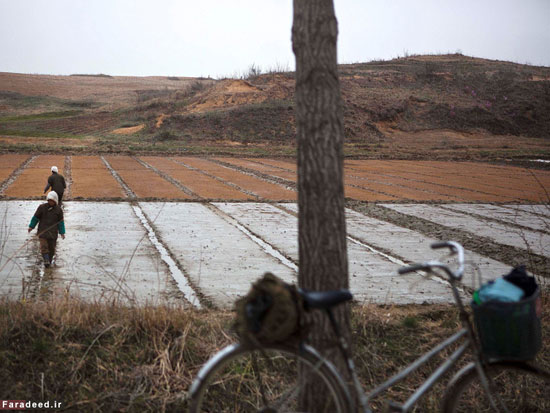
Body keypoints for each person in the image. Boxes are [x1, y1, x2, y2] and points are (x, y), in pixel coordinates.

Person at [28, 191, 66, 268]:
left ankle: (49, 261)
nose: (50, 202)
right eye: (49, 200)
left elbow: (61, 223)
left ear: (55, 201)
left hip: (53, 234)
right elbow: (35, 218)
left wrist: (62, 232)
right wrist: (31, 227)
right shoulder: (42, 208)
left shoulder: (58, 210)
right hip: (42, 232)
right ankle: (46, 260)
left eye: (52, 201)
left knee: (51, 250)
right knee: (44, 247)